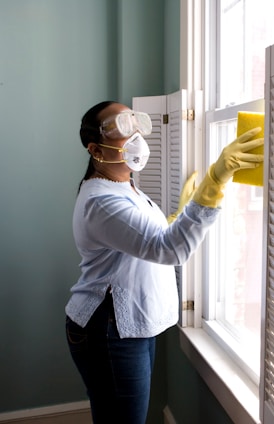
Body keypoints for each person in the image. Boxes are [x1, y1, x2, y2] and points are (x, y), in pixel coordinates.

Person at [65, 100, 263, 424]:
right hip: (108, 328)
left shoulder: (124, 185)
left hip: (127, 325)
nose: (136, 134)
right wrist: (214, 182)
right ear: (96, 150)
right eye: (122, 127)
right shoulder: (101, 200)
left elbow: (142, 238)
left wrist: (177, 216)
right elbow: (169, 250)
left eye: (136, 122)